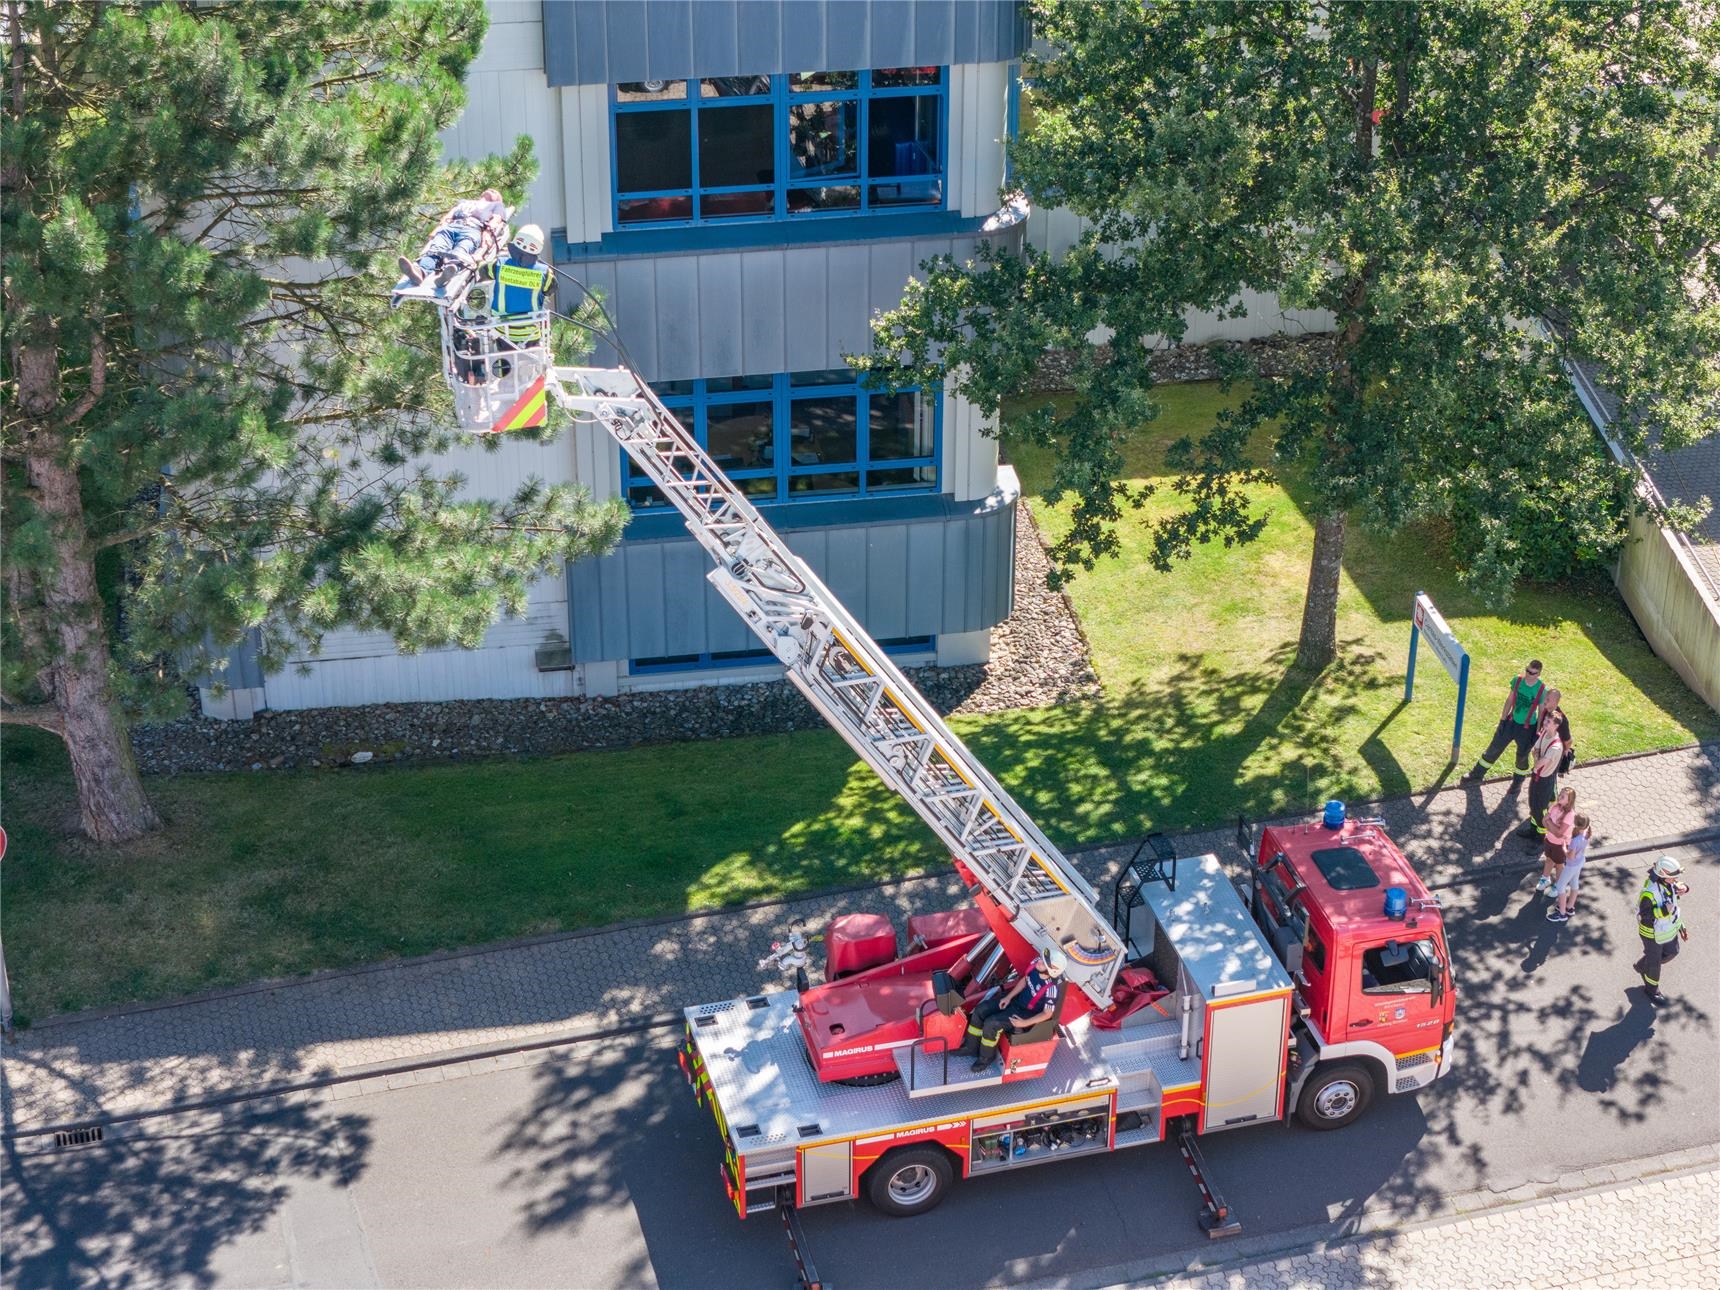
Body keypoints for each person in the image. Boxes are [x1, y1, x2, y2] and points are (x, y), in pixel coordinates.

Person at [954, 947, 1067, 1072]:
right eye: (1041, 958)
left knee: (991, 1024)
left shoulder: (1052, 989)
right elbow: (1024, 981)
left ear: (1053, 970)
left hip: (1025, 1014)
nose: (1039, 961)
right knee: (980, 1010)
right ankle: (970, 1047)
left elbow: (1047, 1014)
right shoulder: (1035, 966)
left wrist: (1024, 1023)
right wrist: (1008, 997)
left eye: (1044, 962)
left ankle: (985, 1058)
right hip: (1015, 1000)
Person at [399, 189, 509, 287]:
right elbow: (449, 215)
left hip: (473, 229)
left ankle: (449, 271)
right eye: (490, 190)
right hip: (451, 226)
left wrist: (487, 233)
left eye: (495, 192)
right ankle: (419, 272)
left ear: (497, 200)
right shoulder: (465, 202)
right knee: (436, 249)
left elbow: (496, 219)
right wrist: (438, 228)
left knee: (461, 250)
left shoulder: (496, 205)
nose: (492, 190)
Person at [1461, 660, 1547, 783]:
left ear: (1538, 674)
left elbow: (1542, 712)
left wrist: (1537, 733)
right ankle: (1476, 774)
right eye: (1527, 671)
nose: (1528, 674)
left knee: (1522, 757)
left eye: (1533, 673)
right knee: (1494, 748)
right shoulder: (1517, 681)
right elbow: (1509, 700)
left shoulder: (1541, 689)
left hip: (1527, 729)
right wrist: (1503, 720)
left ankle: (1517, 782)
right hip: (1510, 723)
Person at [478, 222, 554, 355]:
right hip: (531, 331)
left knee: (507, 367)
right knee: (531, 366)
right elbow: (550, 290)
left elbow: (483, 271)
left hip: (503, 330)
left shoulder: (499, 265)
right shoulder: (545, 272)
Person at [1635, 854, 1690, 1005]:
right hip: (1652, 933)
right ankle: (1651, 990)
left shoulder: (1669, 883)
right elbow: (1645, 915)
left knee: (1673, 952)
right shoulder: (1649, 893)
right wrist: (1663, 911)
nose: (1676, 880)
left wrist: (1685, 888)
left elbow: (1675, 897)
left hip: (1668, 929)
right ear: (1663, 875)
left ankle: (1641, 966)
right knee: (1654, 964)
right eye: (1673, 877)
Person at [1519, 688, 1565, 843]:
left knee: (1541, 809)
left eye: (1548, 722)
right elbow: (1535, 750)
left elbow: (1539, 762)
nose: (1544, 722)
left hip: (1545, 780)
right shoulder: (1545, 733)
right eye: (1545, 720)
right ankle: (1532, 830)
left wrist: (1538, 760)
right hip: (1537, 776)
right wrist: (1538, 758)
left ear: (1556, 725)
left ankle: (1540, 837)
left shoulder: (1555, 747)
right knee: (1533, 804)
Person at [1547, 813, 1591, 922]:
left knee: (1560, 886)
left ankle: (1562, 914)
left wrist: (1563, 848)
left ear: (1575, 824)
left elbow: (1570, 857)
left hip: (1572, 865)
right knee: (1574, 883)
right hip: (1580, 862)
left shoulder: (1575, 840)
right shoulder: (1587, 834)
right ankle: (1569, 907)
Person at [1535, 786, 1577, 893]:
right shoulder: (1554, 807)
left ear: (1569, 801)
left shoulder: (1570, 815)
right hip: (1549, 840)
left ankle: (1559, 885)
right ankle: (1545, 879)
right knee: (1548, 859)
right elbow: (1544, 822)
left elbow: (1559, 834)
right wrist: (1552, 826)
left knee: (1559, 865)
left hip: (1560, 845)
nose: (1559, 797)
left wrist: (1550, 824)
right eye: (1560, 795)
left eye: (1563, 796)